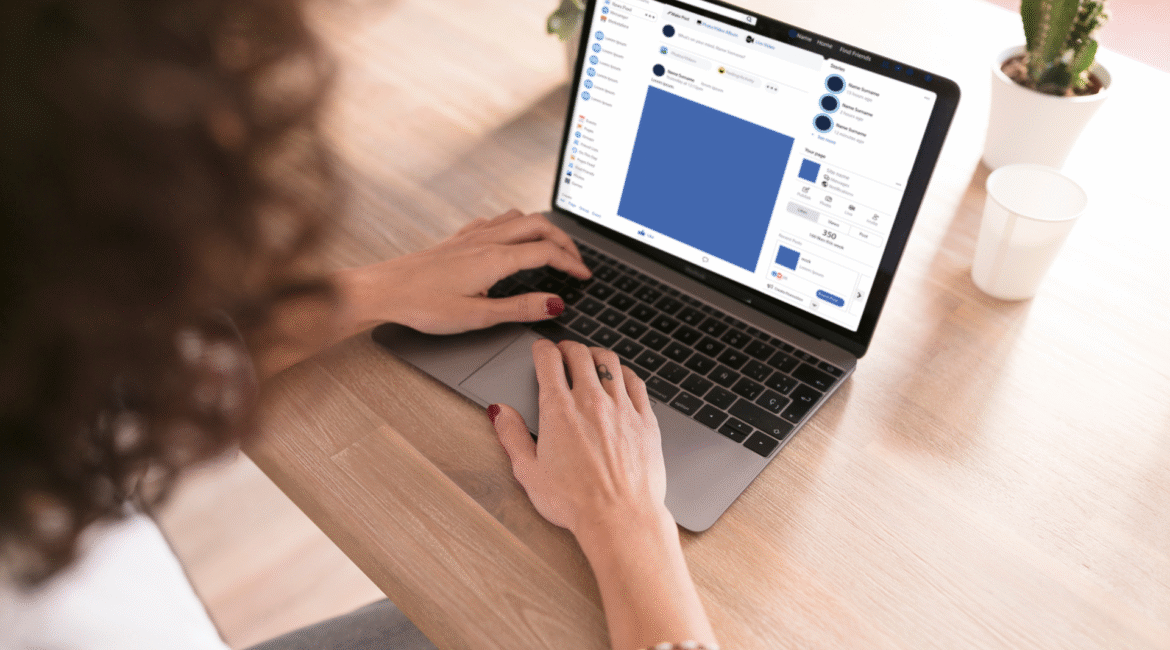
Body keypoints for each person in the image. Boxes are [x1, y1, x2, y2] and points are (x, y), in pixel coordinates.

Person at [0, 1, 719, 650]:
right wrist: (628, 523)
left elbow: (114, 378)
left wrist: (376, 292)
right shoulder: (62, 620)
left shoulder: (31, 359)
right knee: (537, 608)